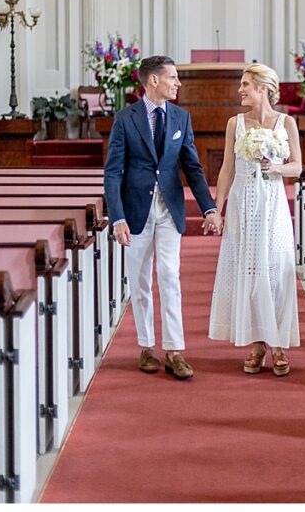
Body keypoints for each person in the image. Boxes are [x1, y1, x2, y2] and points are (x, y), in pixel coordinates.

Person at [103, 55, 222, 380]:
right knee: (140, 280)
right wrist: (117, 218)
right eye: (172, 77)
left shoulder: (181, 118)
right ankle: (146, 345)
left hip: (170, 207)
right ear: (152, 80)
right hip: (136, 210)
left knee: (170, 275)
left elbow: (193, 168)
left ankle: (174, 350)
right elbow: (112, 173)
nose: (178, 83)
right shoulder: (125, 120)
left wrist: (209, 207)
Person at [208, 63, 302, 375]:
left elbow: (297, 167)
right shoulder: (235, 124)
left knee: (275, 271)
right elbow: (226, 169)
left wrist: (276, 168)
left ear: (263, 88)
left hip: (273, 206)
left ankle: (277, 343)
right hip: (242, 205)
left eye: (246, 84)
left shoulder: (285, 123)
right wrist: (217, 210)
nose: (240, 90)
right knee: (247, 271)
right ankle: (257, 344)